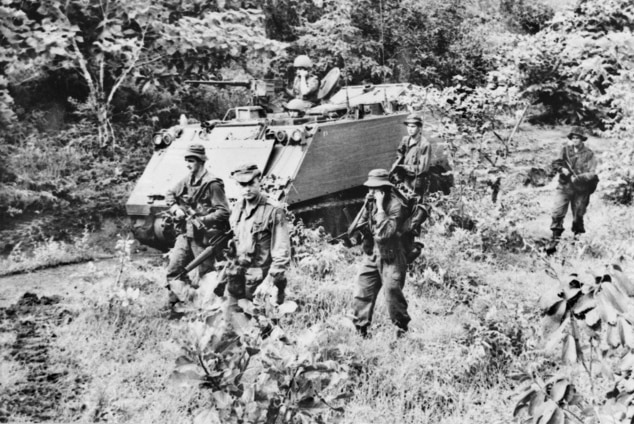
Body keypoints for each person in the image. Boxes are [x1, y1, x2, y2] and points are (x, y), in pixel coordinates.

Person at [165, 144, 230, 308]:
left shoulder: (212, 184)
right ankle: (178, 306)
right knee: (174, 270)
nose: (188, 164)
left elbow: (224, 211)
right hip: (186, 233)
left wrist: (202, 220)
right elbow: (170, 194)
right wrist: (176, 208)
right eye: (186, 160)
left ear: (201, 161)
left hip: (203, 237)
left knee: (206, 275)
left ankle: (208, 309)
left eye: (191, 161)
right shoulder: (188, 180)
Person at [348, 169, 411, 337]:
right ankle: (361, 330)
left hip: (392, 255)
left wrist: (381, 207)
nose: (371, 192)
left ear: (384, 189)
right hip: (373, 254)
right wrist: (367, 206)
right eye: (369, 188)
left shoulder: (396, 206)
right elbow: (358, 227)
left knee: (392, 292)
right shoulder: (371, 202)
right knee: (363, 289)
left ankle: (401, 329)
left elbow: (384, 235)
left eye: (374, 189)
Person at [220, 163, 291, 310]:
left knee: (262, 326)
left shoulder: (274, 211)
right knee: (230, 321)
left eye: (251, 183)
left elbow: (282, 253)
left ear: (260, 181)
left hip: (260, 281)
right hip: (237, 277)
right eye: (242, 185)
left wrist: (268, 283)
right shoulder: (237, 208)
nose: (247, 189)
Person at [546, 126, 599, 255]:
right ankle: (554, 240)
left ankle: (577, 240)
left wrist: (580, 177)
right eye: (573, 138)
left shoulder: (589, 154)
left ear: (582, 140)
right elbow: (556, 163)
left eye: (578, 138)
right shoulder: (565, 150)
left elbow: (592, 173)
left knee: (578, 216)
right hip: (564, 187)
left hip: (581, 189)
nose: (575, 140)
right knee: (557, 212)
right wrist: (562, 169)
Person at [391, 114, 432, 196]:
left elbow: (422, 169)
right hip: (403, 177)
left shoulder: (424, 144)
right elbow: (400, 154)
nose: (410, 129)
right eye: (408, 126)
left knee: (414, 202)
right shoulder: (405, 140)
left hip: (416, 180)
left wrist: (405, 167)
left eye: (413, 126)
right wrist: (396, 165)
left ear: (419, 128)